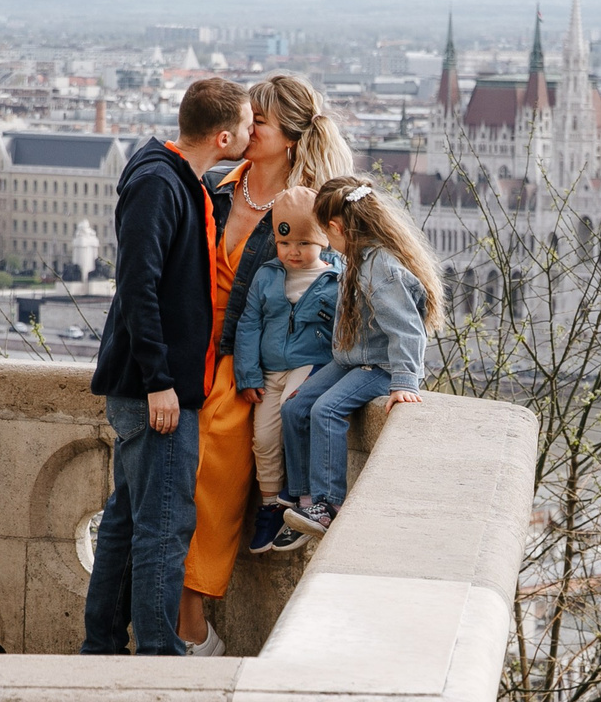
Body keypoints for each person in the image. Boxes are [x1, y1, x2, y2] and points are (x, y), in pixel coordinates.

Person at [178, 74, 353, 647]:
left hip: (247, 358)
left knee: (216, 447)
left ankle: (192, 615)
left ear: (292, 139)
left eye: (261, 122)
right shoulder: (211, 184)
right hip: (193, 345)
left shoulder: (309, 212)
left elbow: (345, 289)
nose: (247, 128)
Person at [81, 77, 252, 656]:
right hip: (157, 392)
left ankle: (101, 648)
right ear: (224, 135)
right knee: (164, 527)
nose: (253, 135)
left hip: (159, 387)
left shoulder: (175, 175)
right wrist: (160, 383)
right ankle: (158, 658)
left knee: (128, 523)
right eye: (249, 126)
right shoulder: (160, 180)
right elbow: (138, 286)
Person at [281, 177, 443, 538]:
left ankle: (327, 504)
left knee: (326, 410)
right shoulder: (355, 256)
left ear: (336, 228)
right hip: (352, 358)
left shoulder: (379, 268)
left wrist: (404, 382)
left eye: (326, 232)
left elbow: (407, 329)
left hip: (380, 365)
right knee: (294, 407)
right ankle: (304, 498)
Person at [233, 186, 340, 555]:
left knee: (290, 415)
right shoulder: (267, 276)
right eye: (285, 243)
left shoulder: (336, 280)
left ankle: (295, 499)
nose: (293, 252)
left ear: (323, 240)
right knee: (262, 438)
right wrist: (247, 375)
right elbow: (248, 325)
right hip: (268, 370)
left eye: (303, 243)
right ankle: (269, 507)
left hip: (309, 365)